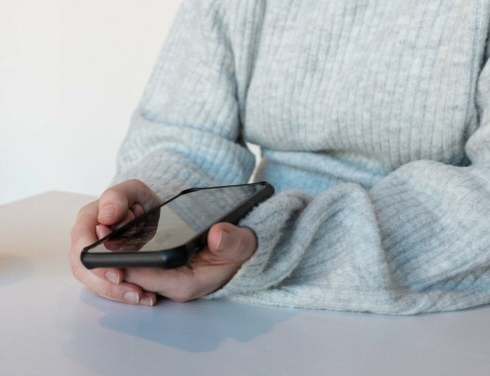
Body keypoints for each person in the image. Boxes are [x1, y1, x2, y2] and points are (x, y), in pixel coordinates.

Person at [69, 0, 490, 315]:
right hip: (236, 293)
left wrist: (273, 247)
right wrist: (153, 206)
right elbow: (186, 134)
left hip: (438, 301)